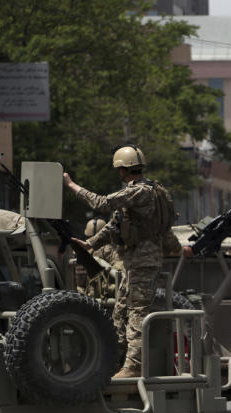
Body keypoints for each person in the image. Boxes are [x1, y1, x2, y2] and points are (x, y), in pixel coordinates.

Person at [64, 144, 176, 378]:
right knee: (120, 311)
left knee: (136, 312)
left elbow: (101, 204)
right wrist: (91, 244)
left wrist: (71, 185)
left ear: (123, 170)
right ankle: (115, 361)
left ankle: (133, 367)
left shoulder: (140, 192)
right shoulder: (139, 194)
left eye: (119, 170)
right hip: (133, 262)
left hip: (144, 262)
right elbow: (115, 224)